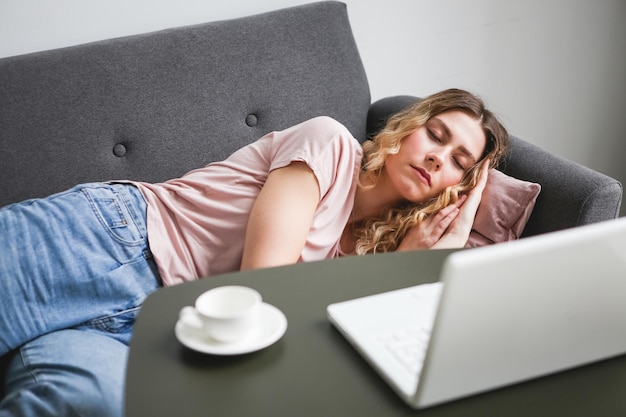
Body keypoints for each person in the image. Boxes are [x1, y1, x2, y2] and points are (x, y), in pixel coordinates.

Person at [0, 88, 508, 416]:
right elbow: (262, 287)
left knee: (90, 402)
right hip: (115, 242)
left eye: (458, 161)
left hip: (153, 331)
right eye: (436, 136)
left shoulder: (366, 258)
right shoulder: (329, 144)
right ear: (409, 127)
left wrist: (407, 263)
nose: (438, 157)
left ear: (457, 190)